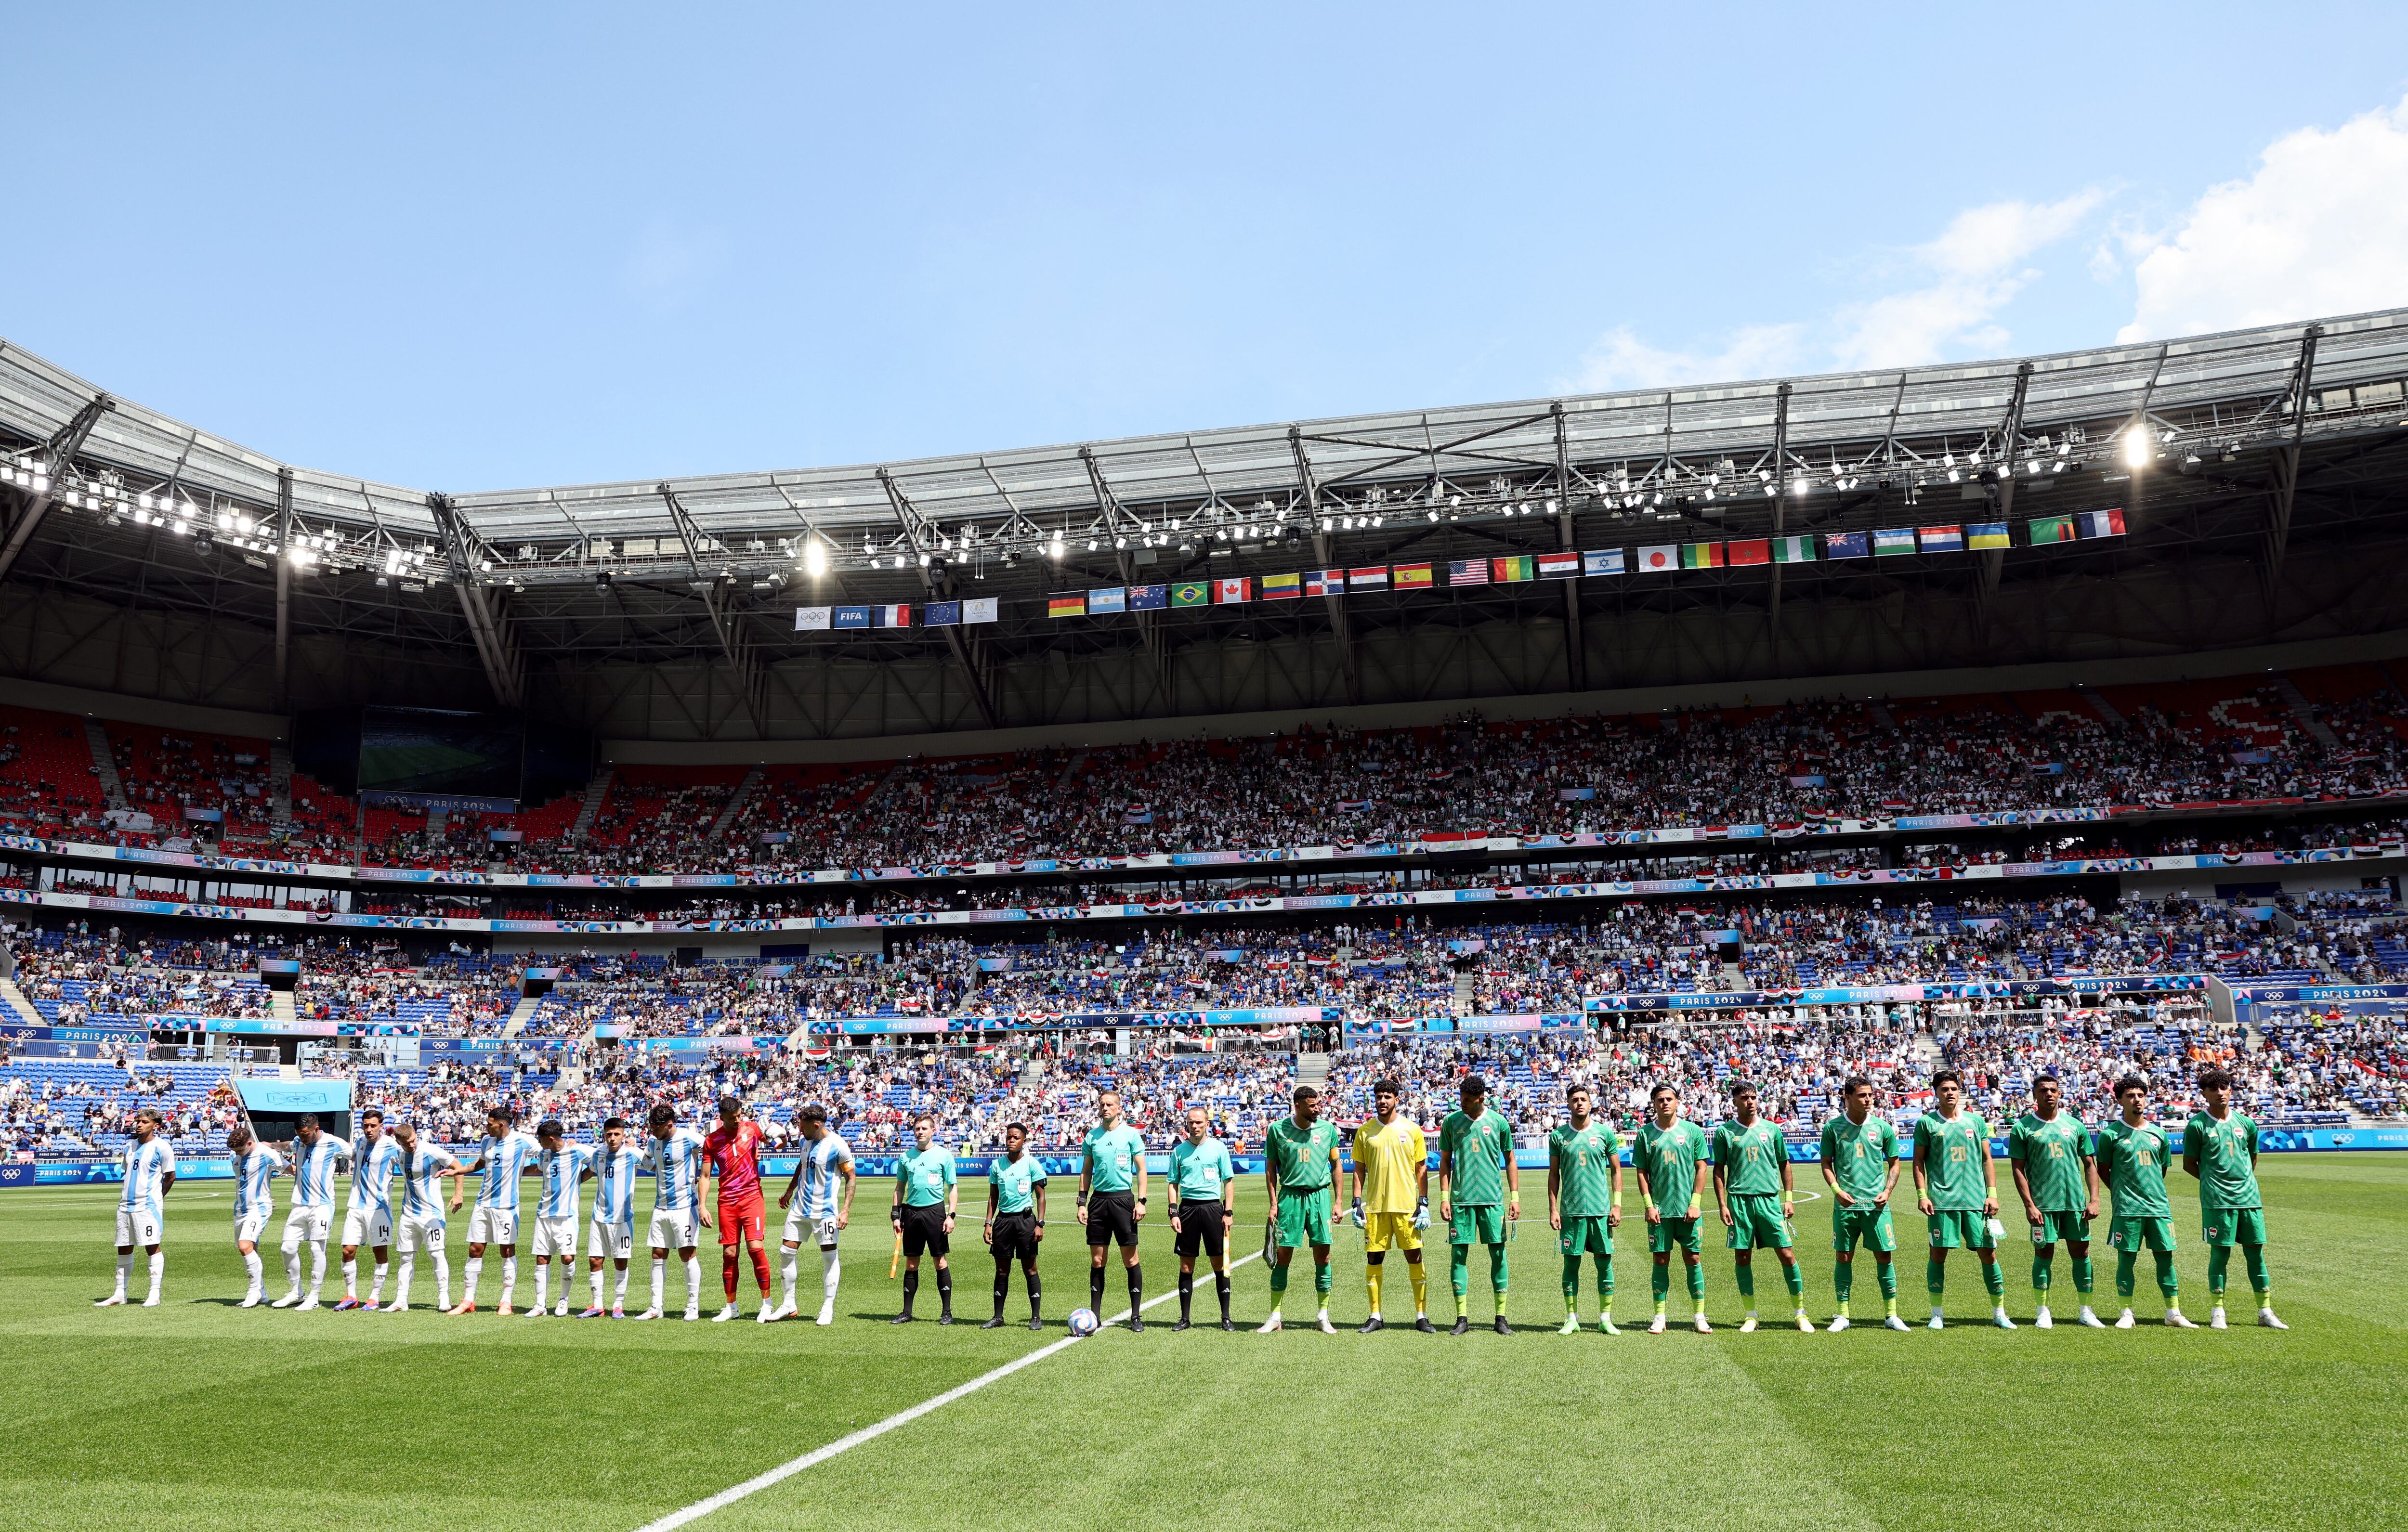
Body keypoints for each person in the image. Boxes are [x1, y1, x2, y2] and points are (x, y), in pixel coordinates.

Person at [2184, 1067, 2285, 1330]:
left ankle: (2265, 1311)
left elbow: (2252, 1158)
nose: (2220, 1093)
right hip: (2218, 1202)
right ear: (2204, 1094)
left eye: (2224, 1087)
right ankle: (2218, 1311)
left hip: (2249, 1200)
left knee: (2257, 1255)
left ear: (2231, 1090)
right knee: (2221, 1254)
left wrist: (2241, 1183)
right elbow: (2189, 1164)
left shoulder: (2247, 1124)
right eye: (2213, 1089)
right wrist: (2214, 1183)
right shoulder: (2197, 1126)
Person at [1912, 1069, 2011, 1330]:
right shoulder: (1927, 1123)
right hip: (1942, 1202)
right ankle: (1936, 1314)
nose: (1950, 1093)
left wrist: (1992, 1195)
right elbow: (1918, 1162)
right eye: (1944, 1089)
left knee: (1988, 1254)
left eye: (1954, 1089)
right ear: (1936, 1093)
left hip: (1977, 1202)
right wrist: (1922, 1195)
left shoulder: (1976, 1123)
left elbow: (1987, 1160)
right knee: (1938, 1255)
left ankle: (2000, 1313)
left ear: (1960, 1091)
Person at [1712, 1081, 1811, 1333]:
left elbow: (1784, 1164)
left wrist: (1788, 1197)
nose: (1751, 1102)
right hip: (1739, 1202)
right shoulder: (1725, 1132)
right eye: (1745, 1098)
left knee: (1787, 1255)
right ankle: (1751, 1315)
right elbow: (1719, 1170)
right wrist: (1723, 1204)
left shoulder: (1772, 1130)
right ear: (1734, 1101)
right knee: (1743, 1256)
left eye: (1754, 1097)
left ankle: (1800, 1314)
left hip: (1769, 1200)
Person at [2095, 1074, 2191, 1328]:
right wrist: (2120, 1191)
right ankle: (2126, 1313)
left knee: (2166, 1258)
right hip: (2127, 1208)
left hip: (2158, 1207)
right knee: (2127, 1259)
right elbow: (2103, 1170)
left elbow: (2162, 1170)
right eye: (2130, 1096)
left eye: (2140, 1095)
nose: (2137, 1100)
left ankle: (2173, 1313)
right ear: (2120, 1100)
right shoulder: (2110, 1135)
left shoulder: (2159, 1133)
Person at [2007, 1073, 2101, 1329]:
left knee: (2081, 1253)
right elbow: (2018, 1169)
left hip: (2075, 1205)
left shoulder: (2076, 1125)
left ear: (2060, 1093)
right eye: (2043, 1090)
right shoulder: (2023, 1127)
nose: (2049, 1094)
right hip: (2043, 1206)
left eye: (2054, 1090)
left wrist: (2094, 1199)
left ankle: (2086, 1310)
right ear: (2034, 1095)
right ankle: (2043, 1311)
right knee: (2044, 1253)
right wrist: (2029, 1205)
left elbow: (2090, 1165)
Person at [1818, 1074, 1908, 1331]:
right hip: (1846, 1206)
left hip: (1877, 1207)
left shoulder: (1882, 1128)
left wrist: (1888, 1191)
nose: (1868, 1099)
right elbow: (1826, 1163)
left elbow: (1895, 1163)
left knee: (1884, 1255)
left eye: (1870, 1095)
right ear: (1847, 1098)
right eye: (1862, 1095)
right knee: (1844, 1256)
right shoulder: (1833, 1128)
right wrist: (1836, 1190)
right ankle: (1843, 1316)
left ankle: (1891, 1315)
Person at [1350, 1077, 1432, 1334]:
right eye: (1379, 1097)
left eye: (1387, 1097)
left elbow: (1421, 1169)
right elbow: (1359, 1169)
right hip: (1375, 1207)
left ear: (1397, 1099)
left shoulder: (1412, 1130)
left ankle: (1421, 1316)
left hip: (1407, 1206)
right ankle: (1376, 1315)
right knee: (1374, 1258)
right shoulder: (1365, 1132)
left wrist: (1424, 1203)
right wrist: (1356, 1202)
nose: (1382, 1101)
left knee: (1415, 1257)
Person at [1438, 1075, 1518, 1335]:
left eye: (1468, 1100)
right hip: (1461, 1201)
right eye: (1461, 1097)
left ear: (1481, 1099)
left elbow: (1510, 1160)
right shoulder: (1451, 1122)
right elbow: (1445, 1163)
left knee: (1498, 1255)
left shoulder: (1498, 1122)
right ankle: (1461, 1317)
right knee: (1459, 1257)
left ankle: (1501, 1317)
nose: (1463, 1103)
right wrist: (1444, 1198)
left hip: (1493, 1200)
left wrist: (1514, 1197)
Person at [1259, 1084, 1342, 1333]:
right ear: (1298, 1106)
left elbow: (1337, 1164)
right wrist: (1274, 1203)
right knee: (1283, 1258)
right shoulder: (1277, 1130)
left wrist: (1338, 1201)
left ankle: (1323, 1317)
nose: (1318, 1108)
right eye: (1312, 1105)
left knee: (1323, 1256)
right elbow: (1271, 1169)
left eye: (1318, 1104)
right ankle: (1275, 1317)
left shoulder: (1328, 1130)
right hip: (1290, 1198)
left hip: (1320, 1197)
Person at [1632, 1083, 1712, 1333]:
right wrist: (1648, 1205)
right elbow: (1642, 1172)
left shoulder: (1693, 1132)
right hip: (1660, 1212)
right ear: (1654, 1104)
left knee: (1694, 1258)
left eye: (1669, 1099)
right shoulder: (1645, 1134)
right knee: (1661, 1260)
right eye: (1660, 1100)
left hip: (1689, 1211)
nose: (1665, 1103)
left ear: (1677, 1102)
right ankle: (1659, 1316)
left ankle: (1699, 1315)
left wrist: (1696, 1203)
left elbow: (1702, 1168)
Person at [450, 1106, 542, 1316]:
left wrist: (523, 1171)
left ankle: (506, 1301)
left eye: (489, 1124)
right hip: (483, 1204)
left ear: (501, 1125)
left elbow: (547, 1154)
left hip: (507, 1206)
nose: (486, 1127)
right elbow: (480, 1163)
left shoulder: (523, 1140)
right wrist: (458, 1170)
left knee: (507, 1250)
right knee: (475, 1249)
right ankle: (468, 1300)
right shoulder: (486, 1141)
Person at [1546, 1083, 1622, 1335]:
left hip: (1601, 1211)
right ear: (1568, 1104)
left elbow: (1617, 1171)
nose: (1579, 1103)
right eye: (1574, 1099)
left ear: (1591, 1104)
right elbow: (1554, 1174)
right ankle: (1572, 1318)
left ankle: (1605, 1317)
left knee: (1604, 1263)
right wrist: (1553, 1209)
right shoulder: (1558, 1136)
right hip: (1571, 1212)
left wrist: (1617, 1204)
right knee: (1571, 1265)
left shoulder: (1604, 1133)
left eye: (1583, 1099)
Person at [772, 1103, 854, 1324]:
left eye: (804, 1127)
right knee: (785, 1252)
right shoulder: (804, 1141)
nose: (800, 1130)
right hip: (800, 1208)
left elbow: (851, 1177)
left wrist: (845, 1210)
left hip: (825, 1211)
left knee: (829, 1256)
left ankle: (827, 1307)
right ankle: (789, 1304)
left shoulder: (838, 1146)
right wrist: (790, 1190)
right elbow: (802, 1165)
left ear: (817, 1126)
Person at [1076, 1089, 1149, 1331]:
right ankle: (1095, 1317)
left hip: (1124, 1202)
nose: (1105, 1108)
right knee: (1098, 1260)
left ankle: (1136, 1316)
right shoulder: (1092, 1137)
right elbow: (1086, 1172)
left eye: (1110, 1105)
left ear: (1119, 1108)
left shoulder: (1131, 1135)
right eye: (1102, 1104)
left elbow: (1141, 1170)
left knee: (1131, 1260)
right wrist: (1081, 1202)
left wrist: (1142, 1201)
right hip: (1098, 1203)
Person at [637, 1103, 712, 1321]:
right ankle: (656, 1307)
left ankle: (692, 1306)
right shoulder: (653, 1141)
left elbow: (713, 1150)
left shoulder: (692, 1138)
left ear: (669, 1125)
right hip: (661, 1206)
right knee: (658, 1254)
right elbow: (647, 1160)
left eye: (656, 1128)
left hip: (685, 1206)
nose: (652, 1132)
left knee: (687, 1254)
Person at [703, 1097, 773, 1323]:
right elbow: (705, 1176)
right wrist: (702, 1205)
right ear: (721, 1118)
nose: (737, 1121)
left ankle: (767, 1304)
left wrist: (777, 1138)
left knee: (755, 1248)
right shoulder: (712, 1141)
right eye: (732, 1119)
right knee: (729, 1254)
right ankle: (731, 1306)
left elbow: (777, 1143)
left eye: (739, 1116)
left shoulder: (752, 1129)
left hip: (752, 1198)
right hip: (727, 1202)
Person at [1167, 1106, 1236, 1331]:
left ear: (1207, 1124)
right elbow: (1173, 1184)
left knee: (1220, 1263)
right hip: (1187, 1210)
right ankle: (1185, 1318)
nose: (1195, 1126)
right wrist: (1174, 1212)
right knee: (1187, 1265)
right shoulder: (1179, 1152)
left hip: (1213, 1210)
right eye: (1191, 1123)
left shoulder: (1218, 1148)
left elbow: (1228, 1181)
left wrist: (1228, 1212)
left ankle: (1225, 1317)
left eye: (1199, 1123)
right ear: (1186, 1125)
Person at [98, 1106, 173, 1308]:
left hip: (148, 1206)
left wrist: (157, 1197)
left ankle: (154, 1294)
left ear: (155, 1126)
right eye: (138, 1121)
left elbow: (170, 1176)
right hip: (125, 1206)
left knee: (152, 1246)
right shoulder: (129, 1146)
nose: (139, 1125)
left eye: (144, 1122)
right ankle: (120, 1294)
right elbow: (128, 1172)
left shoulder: (162, 1147)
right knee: (123, 1247)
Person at [388, 1119, 465, 1313]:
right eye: (406, 1144)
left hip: (432, 1215)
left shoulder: (432, 1151)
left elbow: (458, 1166)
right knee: (406, 1258)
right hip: (408, 1214)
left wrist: (458, 1195)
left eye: (413, 1140)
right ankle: (401, 1300)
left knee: (437, 1254)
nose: (411, 1145)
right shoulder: (399, 1154)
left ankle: (444, 1297)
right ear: (399, 1143)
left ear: (416, 1135)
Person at [275, 1114, 350, 1311]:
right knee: (287, 1249)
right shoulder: (299, 1142)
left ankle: (314, 1297)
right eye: (300, 1135)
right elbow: (286, 1145)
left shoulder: (334, 1143)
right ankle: (296, 1292)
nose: (303, 1139)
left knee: (317, 1250)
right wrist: (267, 1145)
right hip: (299, 1204)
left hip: (322, 1206)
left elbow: (357, 1153)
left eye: (306, 1135)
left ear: (317, 1129)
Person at [890, 1114, 959, 1324]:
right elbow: (900, 1188)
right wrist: (895, 1215)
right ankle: (907, 1312)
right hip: (912, 1214)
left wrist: (951, 1215)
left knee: (940, 1261)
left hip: (935, 1213)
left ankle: (946, 1312)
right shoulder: (906, 1157)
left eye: (924, 1129)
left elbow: (953, 1188)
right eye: (917, 1129)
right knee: (912, 1263)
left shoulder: (944, 1156)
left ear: (933, 1131)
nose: (920, 1132)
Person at [981, 1119, 1046, 1330]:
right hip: (1003, 1222)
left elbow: (1041, 1197)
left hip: (1026, 1221)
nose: (1011, 1141)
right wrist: (988, 1223)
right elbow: (993, 1197)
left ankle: (1036, 1317)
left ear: (1024, 1141)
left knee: (1030, 1269)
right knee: (1001, 1270)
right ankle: (998, 1317)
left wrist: (1040, 1224)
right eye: (1009, 1137)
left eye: (1016, 1138)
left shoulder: (1032, 1164)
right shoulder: (997, 1165)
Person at [335, 1107, 401, 1311]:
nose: (369, 1130)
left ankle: (375, 1297)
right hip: (355, 1206)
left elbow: (411, 1160)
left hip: (379, 1210)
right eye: (366, 1126)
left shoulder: (392, 1147)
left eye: (373, 1126)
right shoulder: (360, 1143)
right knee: (348, 1251)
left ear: (382, 1126)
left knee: (379, 1252)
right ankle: (351, 1296)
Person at [527, 1119, 591, 1319]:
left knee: (568, 1257)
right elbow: (539, 1170)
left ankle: (564, 1299)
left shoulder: (577, 1151)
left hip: (567, 1216)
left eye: (541, 1139)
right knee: (542, 1259)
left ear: (552, 1138)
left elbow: (602, 1160)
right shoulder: (544, 1154)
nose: (539, 1142)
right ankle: (540, 1304)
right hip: (544, 1214)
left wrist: (579, 1178)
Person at [581, 1116, 644, 1318]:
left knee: (620, 1261)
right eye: (609, 1134)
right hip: (599, 1215)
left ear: (624, 1135)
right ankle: (598, 1305)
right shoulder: (598, 1154)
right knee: (595, 1260)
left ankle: (618, 1305)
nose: (613, 1138)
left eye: (617, 1134)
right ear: (604, 1135)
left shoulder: (633, 1154)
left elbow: (656, 1164)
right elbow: (588, 1173)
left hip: (622, 1218)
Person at [227, 1123, 282, 1308]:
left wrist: (266, 1199)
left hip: (258, 1209)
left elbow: (290, 1169)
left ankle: (252, 1292)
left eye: (240, 1150)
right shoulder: (236, 1158)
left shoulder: (267, 1154)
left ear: (250, 1143)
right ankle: (262, 1293)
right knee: (251, 1250)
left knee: (245, 1246)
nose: (238, 1154)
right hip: (240, 1210)